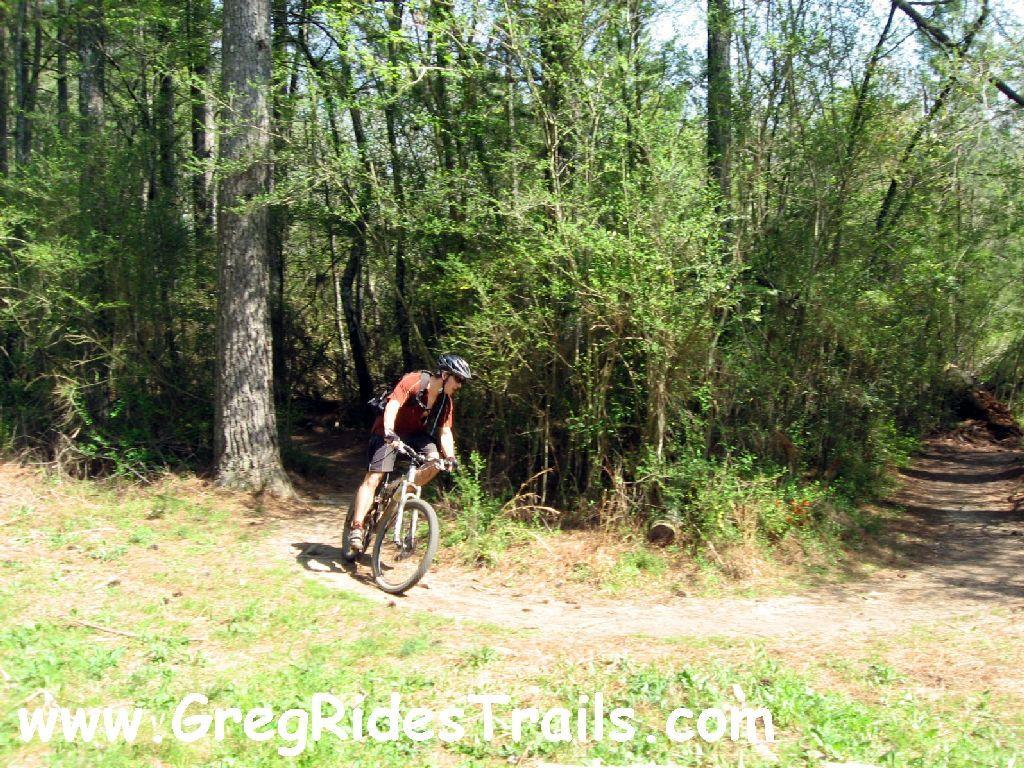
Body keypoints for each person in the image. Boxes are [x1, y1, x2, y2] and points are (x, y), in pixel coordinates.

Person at [347, 354, 472, 553]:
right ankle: (357, 527)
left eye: (463, 381)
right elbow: (392, 406)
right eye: (459, 379)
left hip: (415, 435)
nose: (460, 385)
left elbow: (445, 431)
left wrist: (451, 457)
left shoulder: (445, 401)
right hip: (388, 431)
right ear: (445, 374)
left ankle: (401, 492)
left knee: (436, 463)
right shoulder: (414, 381)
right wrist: (389, 432)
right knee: (374, 478)